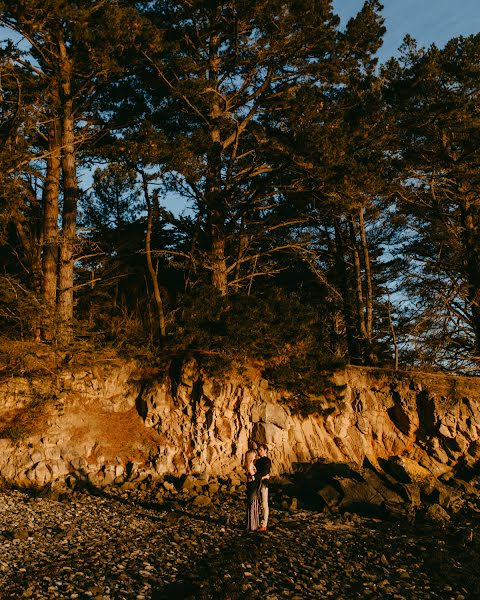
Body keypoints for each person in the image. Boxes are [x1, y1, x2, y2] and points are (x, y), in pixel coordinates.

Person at [254, 444, 271, 532]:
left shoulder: (267, 460)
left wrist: (256, 476)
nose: (259, 451)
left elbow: (265, 471)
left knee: (264, 504)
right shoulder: (258, 461)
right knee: (259, 503)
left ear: (265, 450)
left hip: (263, 484)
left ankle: (264, 524)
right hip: (258, 483)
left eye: (260, 450)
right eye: (258, 450)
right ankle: (259, 523)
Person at [245, 449, 261, 532]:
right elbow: (253, 475)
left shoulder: (249, 464)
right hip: (252, 485)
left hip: (251, 484)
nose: (255, 456)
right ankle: (252, 525)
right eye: (254, 455)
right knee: (252, 502)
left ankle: (252, 524)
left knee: (253, 502)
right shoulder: (250, 465)